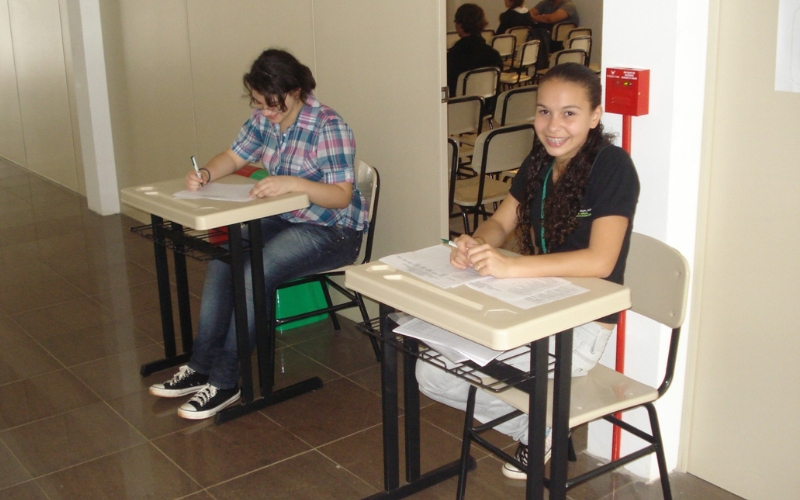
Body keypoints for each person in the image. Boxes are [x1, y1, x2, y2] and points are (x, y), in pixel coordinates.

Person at [416, 62, 639, 479]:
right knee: (431, 372)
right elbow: (500, 222)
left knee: (443, 367)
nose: (553, 125)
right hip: (534, 302)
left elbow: (600, 261)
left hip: (580, 326)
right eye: (544, 111)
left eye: (569, 113)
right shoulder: (540, 159)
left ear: (595, 116)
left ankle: (542, 425)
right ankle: (539, 425)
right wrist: (477, 244)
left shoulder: (613, 166)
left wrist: (511, 268)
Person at [148, 49, 367, 420]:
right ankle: (200, 366)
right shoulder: (264, 120)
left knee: (254, 273)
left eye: (272, 105)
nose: (265, 112)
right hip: (287, 218)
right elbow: (235, 156)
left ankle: (226, 380)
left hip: (333, 230)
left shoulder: (328, 126)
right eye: (258, 103)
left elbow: (340, 196)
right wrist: (205, 174)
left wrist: (293, 183)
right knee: (224, 260)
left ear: (295, 90)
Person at [447, 3, 504, 98]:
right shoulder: (494, 55)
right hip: (487, 104)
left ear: (460, 24)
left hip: (460, 104)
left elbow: (450, 85)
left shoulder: (453, 55)